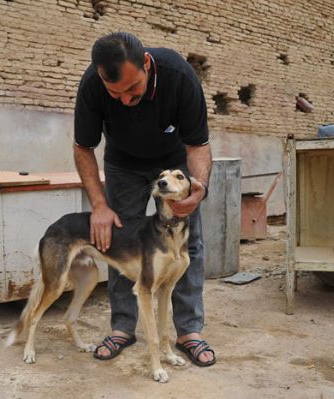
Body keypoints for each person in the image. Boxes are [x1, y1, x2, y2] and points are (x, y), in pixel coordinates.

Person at [73, 31, 215, 367]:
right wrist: (99, 205)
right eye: (115, 94)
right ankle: (123, 327)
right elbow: (83, 148)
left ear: (147, 65)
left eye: (132, 90)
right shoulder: (92, 85)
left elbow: (198, 146)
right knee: (120, 238)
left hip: (173, 159)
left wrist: (198, 190)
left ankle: (188, 331)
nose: (123, 101)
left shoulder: (179, 76)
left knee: (187, 242)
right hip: (122, 165)